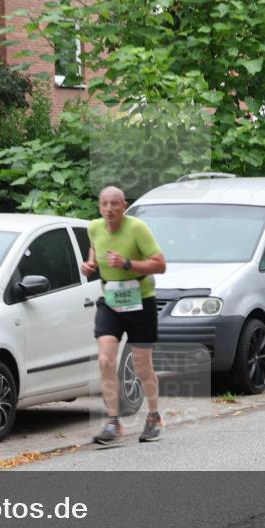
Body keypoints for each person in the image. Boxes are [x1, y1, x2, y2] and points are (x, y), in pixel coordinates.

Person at [81, 186, 167, 444]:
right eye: (104, 204)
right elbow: (94, 250)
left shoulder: (137, 228)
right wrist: (90, 264)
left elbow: (160, 264)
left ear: (124, 206)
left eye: (114, 204)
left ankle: (154, 416)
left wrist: (127, 264)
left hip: (140, 300)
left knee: (142, 365)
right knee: (105, 361)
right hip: (111, 300)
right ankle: (113, 422)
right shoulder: (94, 227)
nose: (109, 209)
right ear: (99, 206)